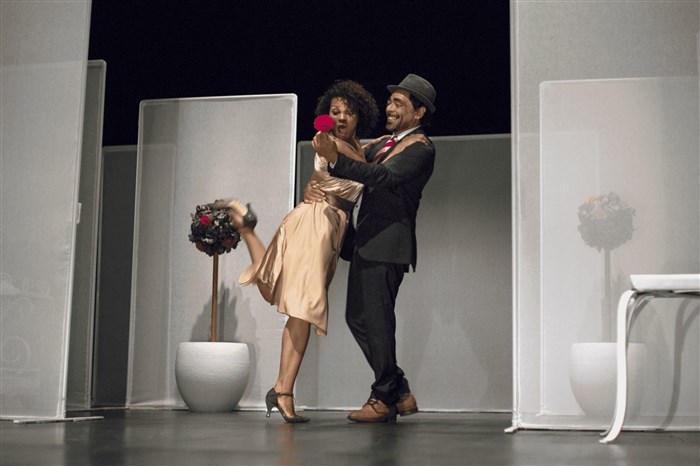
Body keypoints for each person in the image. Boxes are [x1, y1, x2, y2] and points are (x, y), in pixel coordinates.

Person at [219, 80, 422, 423]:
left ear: (360, 116)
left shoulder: (367, 148)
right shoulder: (333, 144)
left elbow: (369, 168)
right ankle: (283, 391)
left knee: (293, 297)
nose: (341, 117)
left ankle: (248, 228)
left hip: (332, 229)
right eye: (335, 111)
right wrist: (326, 160)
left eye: (349, 112)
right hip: (316, 223)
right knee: (303, 307)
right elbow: (349, 163)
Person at [309, 73, 436, 423]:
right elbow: (352, 156)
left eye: (399, 103)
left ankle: (383, 397)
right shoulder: (384, 143)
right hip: (366, 243)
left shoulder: (421, 148)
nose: (390, 108)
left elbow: (382, 177)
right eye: (390, 101)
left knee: (377, 323)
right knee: (357, 318)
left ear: (419, 112)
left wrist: (337, 160)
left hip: (387, 246)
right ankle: (399, 390)